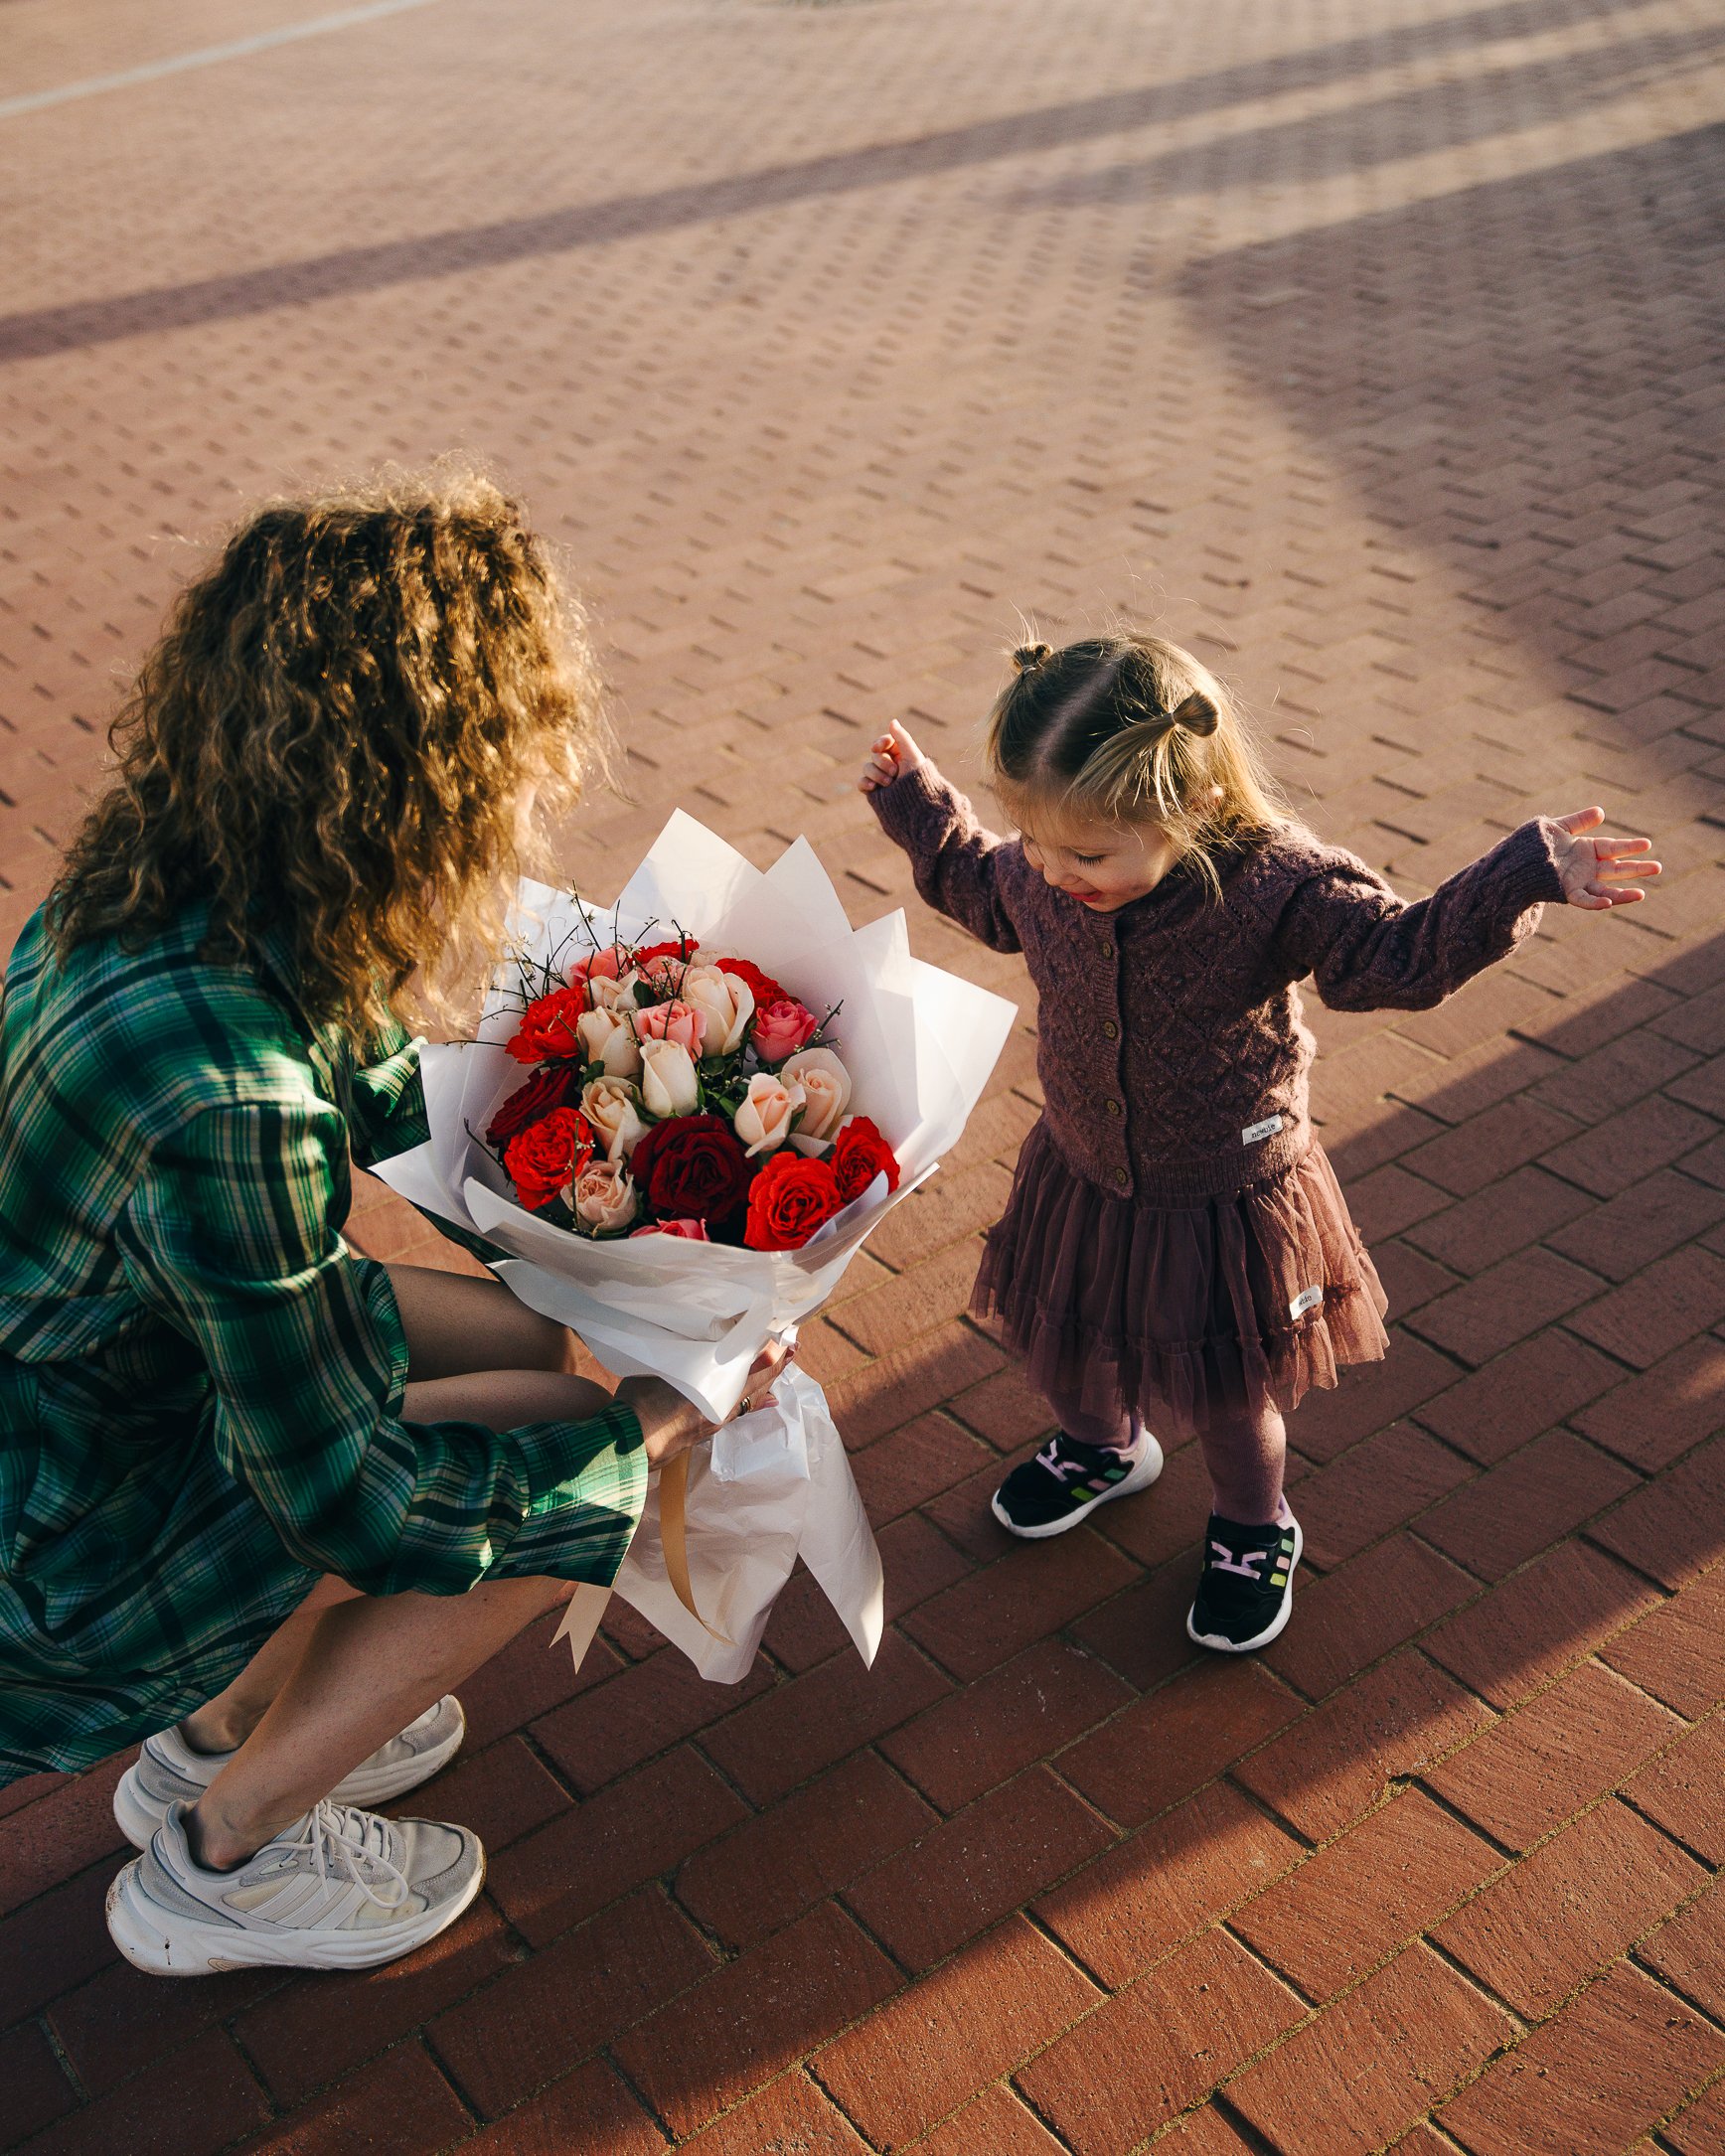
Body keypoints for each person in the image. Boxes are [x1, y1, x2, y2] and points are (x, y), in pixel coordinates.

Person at [0, 471, 783, 1976]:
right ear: (422, 786)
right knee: (571, 1453)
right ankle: (223, 1853)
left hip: (92, 1381)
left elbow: (383, 1093)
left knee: (519, 1340)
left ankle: (222, 1726)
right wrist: (658, 1427)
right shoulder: (230, 1102)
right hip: (56, 1546)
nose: (524, 808)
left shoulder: (169, 879)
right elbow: (355, 1504)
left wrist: (625, 1176)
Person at [861, 632, 1658, 1654]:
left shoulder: (1272, 884)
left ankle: (1252, 1523)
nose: (1054, 873)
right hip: (1086, 1167)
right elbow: (981, 883)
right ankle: (1105, 1447)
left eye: (1088, 855)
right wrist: (917, 805)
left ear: (1192, 805)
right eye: (1038, 842)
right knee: (1070, 1335)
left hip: (1223, 1191)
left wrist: (1516, 878)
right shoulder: (1044, 868)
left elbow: (1393, 955)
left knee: (1230, 1397)